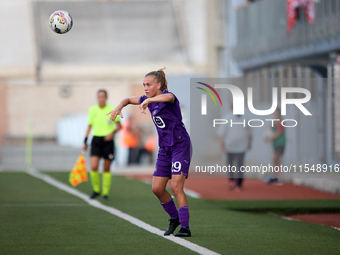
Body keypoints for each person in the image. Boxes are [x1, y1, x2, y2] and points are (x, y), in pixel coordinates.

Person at [107, 67, 192, 237]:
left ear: (159, 85)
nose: (145, 88)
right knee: (157, 189)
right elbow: (126, 99)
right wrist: (119, 107)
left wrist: (149, 101)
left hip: (180, 146)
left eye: (149, 84)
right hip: (164, 149)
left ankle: (185, 227)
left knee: (176, 186)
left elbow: (169, 97)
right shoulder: (146, 98)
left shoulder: (168, 97)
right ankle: (174, 219)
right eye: (144, 85)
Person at [83, 89, 122, 200]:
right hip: (96, 140)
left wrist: (112, 133)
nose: (101, 98)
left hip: (108, 141)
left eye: (103, 96)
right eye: (99, 96)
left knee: (106, 167)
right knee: (94, 166)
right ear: (97, 98)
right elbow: (89, 126)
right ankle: (96, 190)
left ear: (106, 98)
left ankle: (105, 193)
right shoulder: (92, 110)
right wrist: (85, 141)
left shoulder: (111, 110)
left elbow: (119, 126)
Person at [218, 106, 252, 192]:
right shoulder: (227, 118)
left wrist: (249, 143)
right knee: (234, 165)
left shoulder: (245, 119)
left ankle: (237, 182)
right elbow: (222, 134)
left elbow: (250, 133)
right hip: (230, 146)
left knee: (236, 165)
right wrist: (222, 145)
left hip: (239, 146)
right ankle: (234, 181)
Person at [265, 107, 286, 184]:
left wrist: (270, 138)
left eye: (277, 113)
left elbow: (278, 133)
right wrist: (267, 137)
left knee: (275, 158)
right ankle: (275, 176)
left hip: (280, 143)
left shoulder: (282, 122)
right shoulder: (273, 123)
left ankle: (279, 177)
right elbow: (269, 132)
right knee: (275, 160)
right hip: (275, 144)